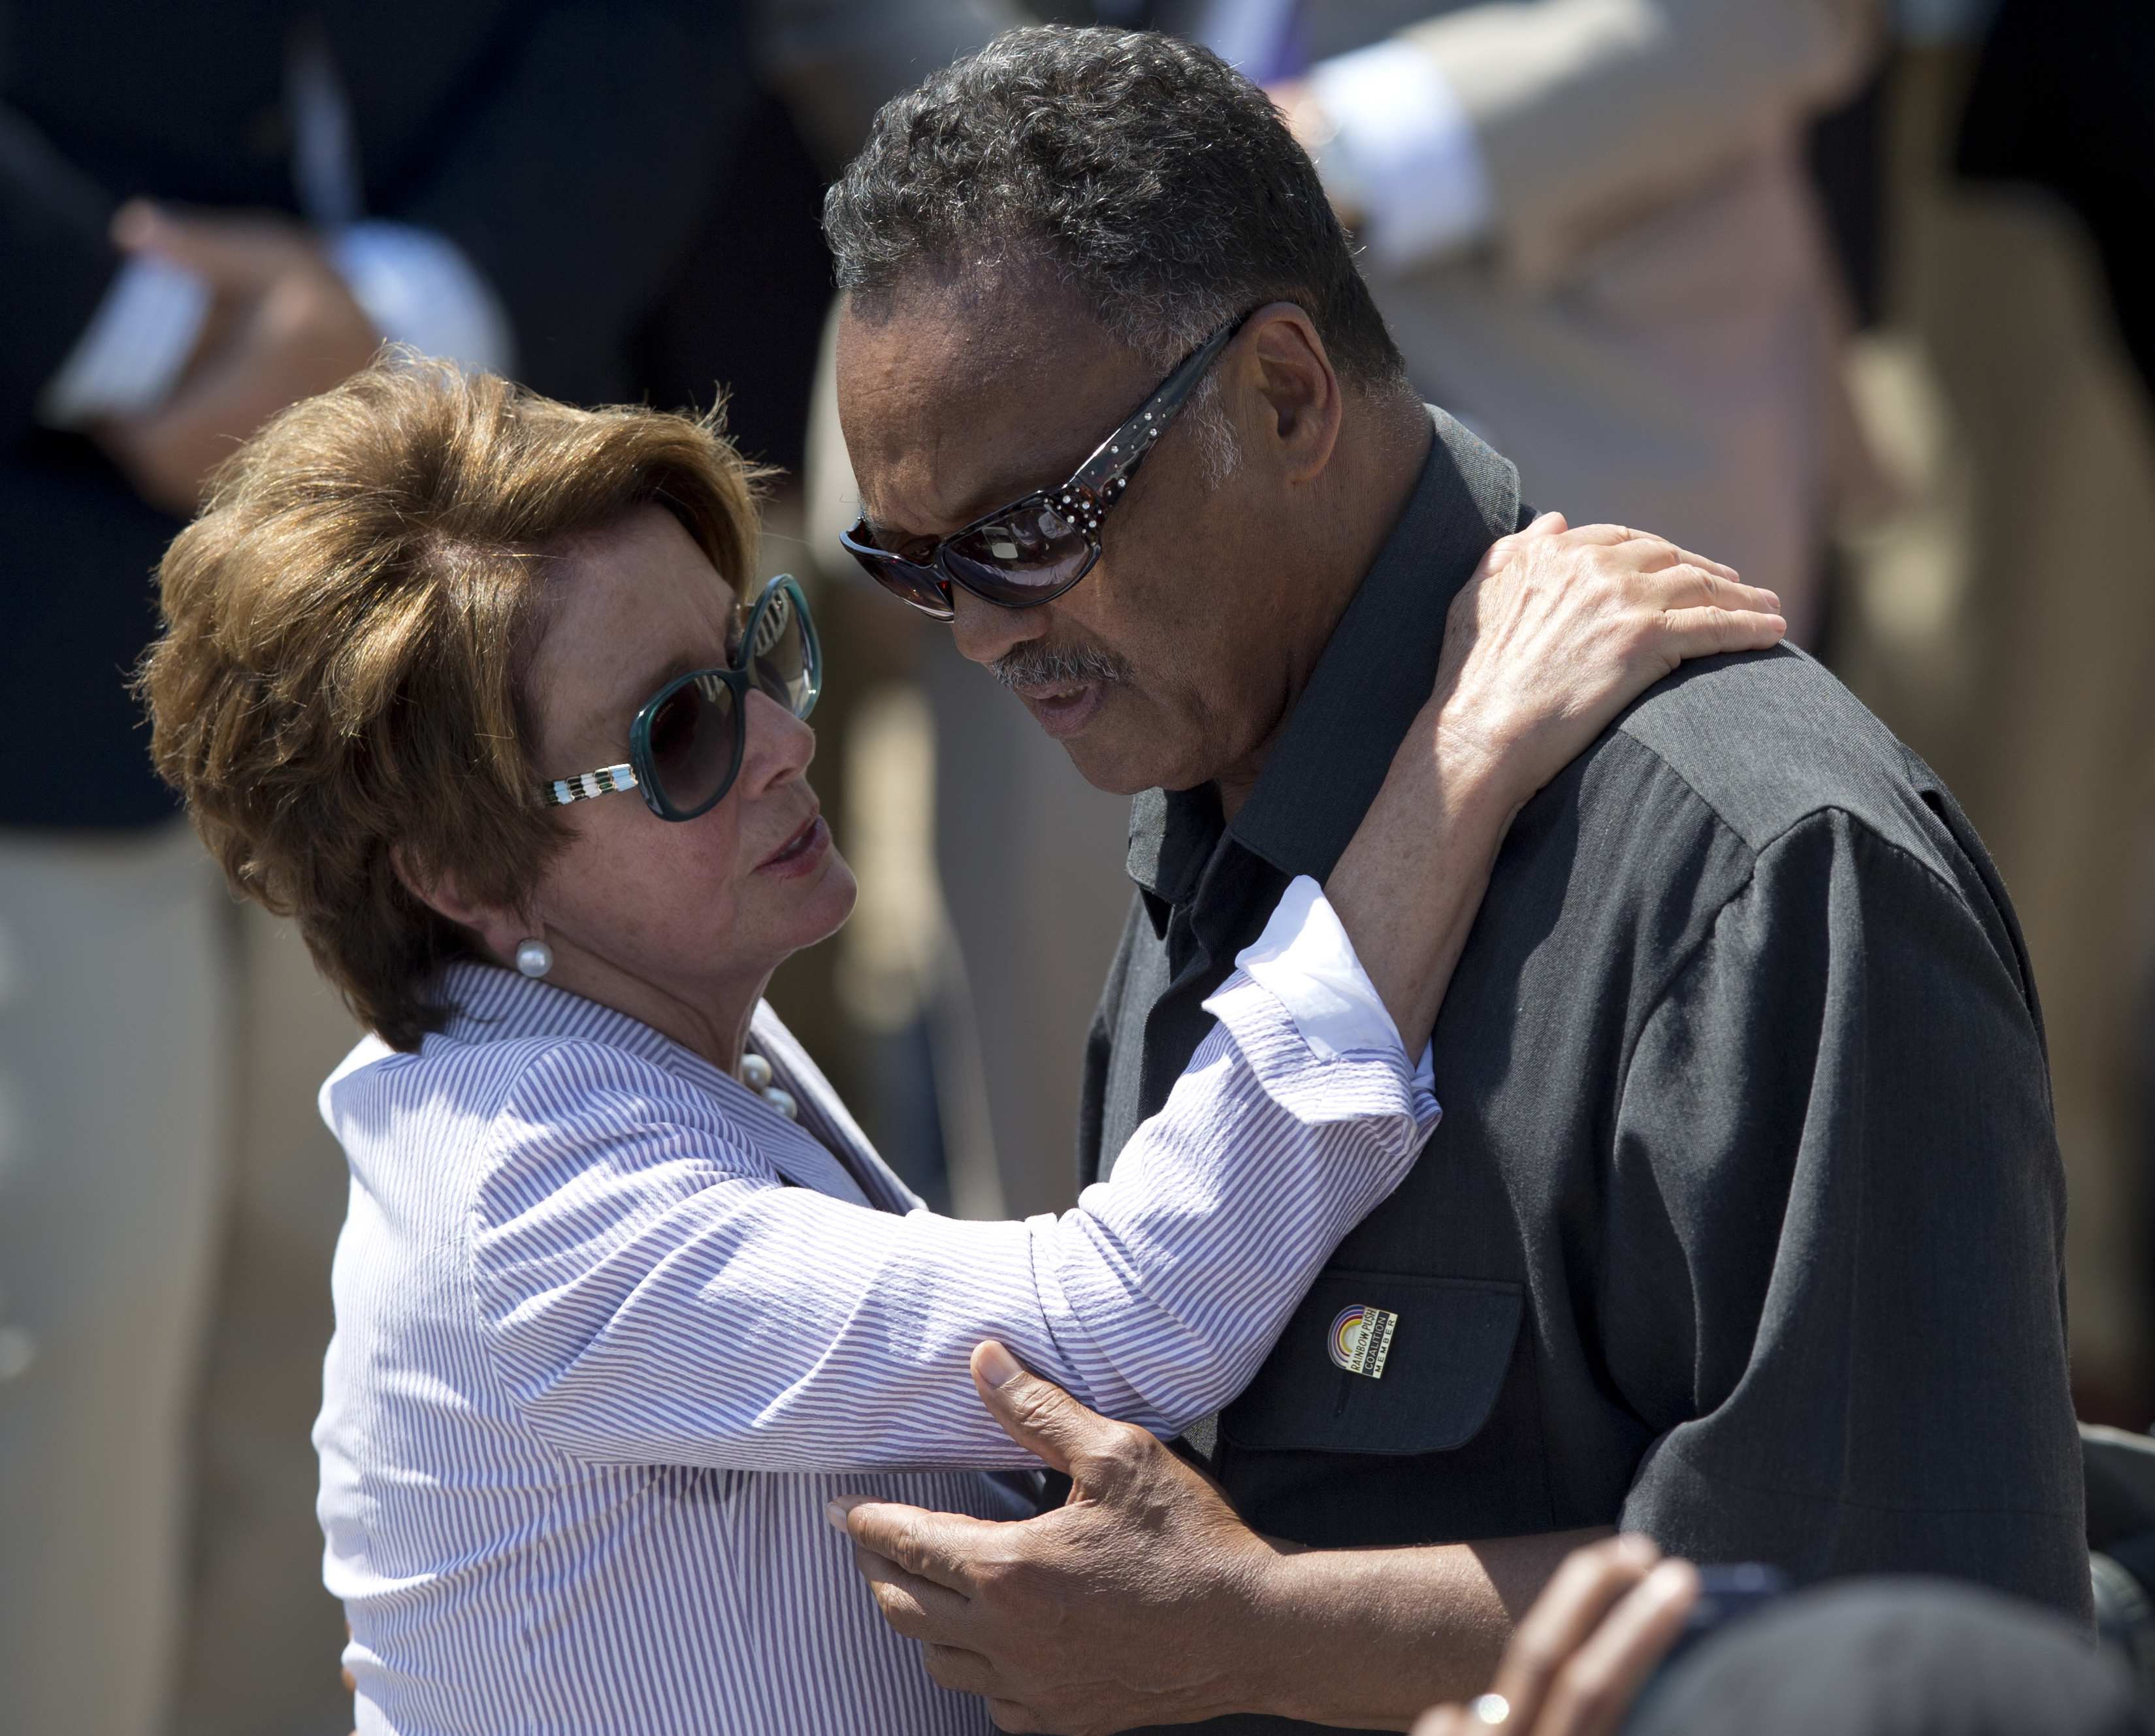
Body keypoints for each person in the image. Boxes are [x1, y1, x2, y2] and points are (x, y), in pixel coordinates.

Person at [138, 354, 1777, 1733]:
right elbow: (1133, 1317)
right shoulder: (527, 1204)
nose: (786, 742)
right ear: (458, 876)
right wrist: (1463, 759)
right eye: (681, 735)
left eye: (757, 653)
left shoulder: (665, 1031)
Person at [819, 26, 2088, 1732]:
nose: (979, 630)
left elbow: (1904, 1637)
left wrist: (1254, 1625)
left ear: (1283, 394)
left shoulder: (1757, 874)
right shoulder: (1203, 765)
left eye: (1034, 528)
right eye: (914, 563)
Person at [0, 10, 751, 1734]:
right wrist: (138, 326)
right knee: (64, 1362)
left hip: (461, 607)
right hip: (35, 565)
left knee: (367, 1362)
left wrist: (403, 322)